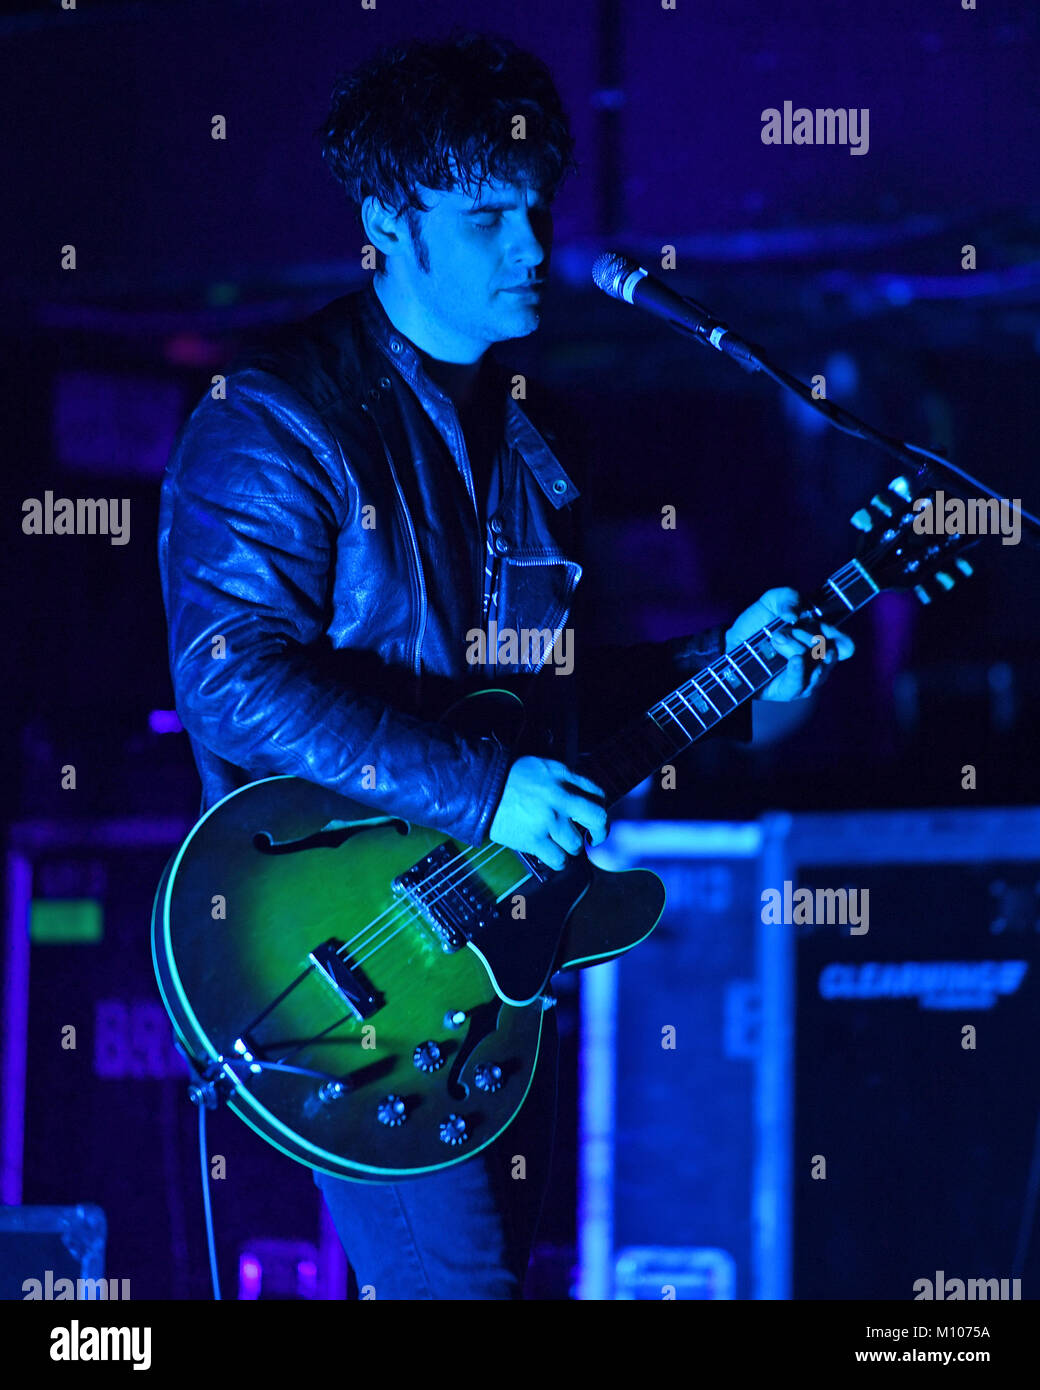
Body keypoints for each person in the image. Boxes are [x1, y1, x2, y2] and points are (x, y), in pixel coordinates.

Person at [157, 31, 852, 1300]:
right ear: (386, 220)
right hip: (345, 958)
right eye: (486, 216)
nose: (532, 245)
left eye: (536, 206)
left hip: (494, 955)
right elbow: (230, 677)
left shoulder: (533, 429)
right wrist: (482, 795)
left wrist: (737, 674)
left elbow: (555, 710)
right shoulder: (275, 416)